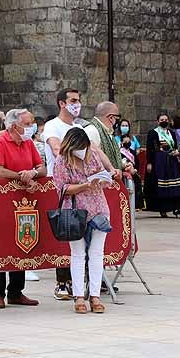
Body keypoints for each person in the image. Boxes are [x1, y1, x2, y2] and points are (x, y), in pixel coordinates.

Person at [0, 108, 44, 309]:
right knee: (1, 245)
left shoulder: (28, 143)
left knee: (22, 242)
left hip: (25, 201)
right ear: (13, 126)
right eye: (27, 124)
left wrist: (33, 173)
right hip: (2, 200)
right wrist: (21, 175)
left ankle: (16, 291)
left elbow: (41, 166)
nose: (31, 128)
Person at [51, 128, 111, 314]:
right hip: (75, 211)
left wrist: (101, 180)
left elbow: (104, 176)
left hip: (98, 208)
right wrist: (85, 185)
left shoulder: (92, 155)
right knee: (77, 253)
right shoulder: (62, 161)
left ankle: (95, 296)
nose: (83, 151)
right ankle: (78, 296)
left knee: (97, 253)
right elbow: (61, 188)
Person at [41, 88, 81, 301]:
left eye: (78, 100)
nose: (77, 104)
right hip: (60, 184)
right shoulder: (52, 126)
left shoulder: (78, 126)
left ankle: (78, 280)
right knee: (65, 229)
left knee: (79, 232)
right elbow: (56, 149)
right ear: (62, 103)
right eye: (73, 100)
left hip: (80, 184)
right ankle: (62, 282)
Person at [145, 112, 180, 218]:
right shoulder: (153, 133)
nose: (164, 121)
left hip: (172, 162)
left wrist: (178, 152)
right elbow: (150, 149)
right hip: (160, 162)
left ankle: (177, 207)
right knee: (162, 186)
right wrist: (149, 162)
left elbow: (175, 145)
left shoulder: (171, 133)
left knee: (175, 185)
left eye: (166, 119)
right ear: (158, 121)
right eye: (162, 120)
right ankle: (163, 209)